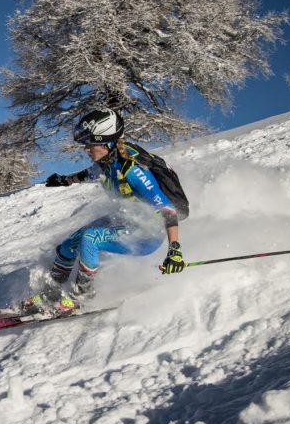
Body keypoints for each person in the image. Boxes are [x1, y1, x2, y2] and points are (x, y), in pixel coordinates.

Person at [30, 108, 190, 313]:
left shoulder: (133, 171)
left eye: (90, 143)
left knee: (91, 238)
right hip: (124, 221)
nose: (86, 149)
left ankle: (81, 297)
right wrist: (64, 180)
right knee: (68, 245)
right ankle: (51, 292)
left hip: (146, 234)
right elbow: (88, 174)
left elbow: (167, 210)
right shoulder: (107, 162)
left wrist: (174, 250)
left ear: (106, 143)